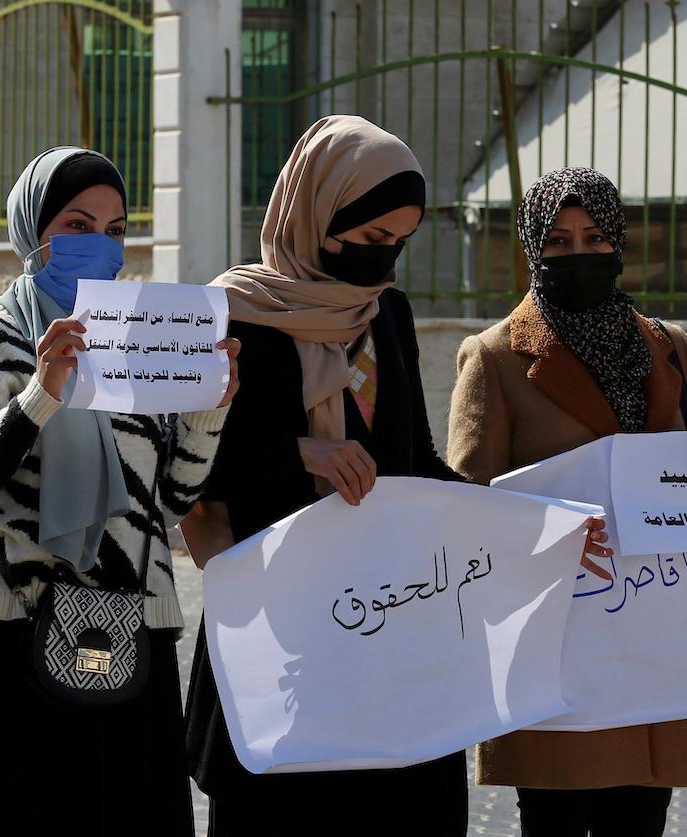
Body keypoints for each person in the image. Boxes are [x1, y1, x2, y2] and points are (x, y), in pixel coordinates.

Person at [182, 115, 609, 837]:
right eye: (372, 239)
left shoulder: (386, 315)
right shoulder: (230, 319)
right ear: (318, 211)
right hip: (283, 644)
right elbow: (185, 469)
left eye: (400, 242)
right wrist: (298, 453)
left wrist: (531, 530)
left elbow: (415, 462)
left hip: (391, 642)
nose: (383, 261)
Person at [447, 166, 687, 836]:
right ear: (531, 248)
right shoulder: (494, 357)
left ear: (618, 242)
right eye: (556, 241)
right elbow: (464, 506)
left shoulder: (663, 344)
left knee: (640, 821)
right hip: (559, 653)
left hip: (660, 653)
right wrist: (546, 532)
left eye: (592, 236)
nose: (577, 254)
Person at [0, 146, 240, 836]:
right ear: (32, 231)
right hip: (15, 626)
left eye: (115, 228)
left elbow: (169, 504)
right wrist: (41, 394)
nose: (99, 243)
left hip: (135, 629)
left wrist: (209, 409)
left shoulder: (137, 338)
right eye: (76, 224)